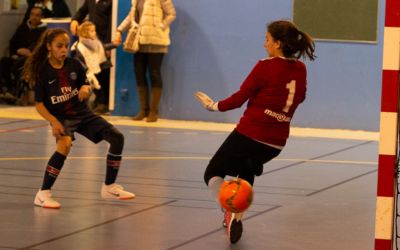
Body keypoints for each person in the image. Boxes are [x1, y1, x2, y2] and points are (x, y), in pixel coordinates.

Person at [194, 20, 316, 244]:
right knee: (245, 170)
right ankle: (236, 217)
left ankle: (230, 208)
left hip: (249, 134)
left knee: (212, 172)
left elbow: (239, 99)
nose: (264, 44)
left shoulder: (265, 66)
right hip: (276, 144)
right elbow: (301, 97)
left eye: (267, 40)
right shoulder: (300, 68)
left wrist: (213, 106)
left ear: (278, 43)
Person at [22, 28, 135, 209]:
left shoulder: (74, 65)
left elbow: (85, 82)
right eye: (59, 46)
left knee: (117, 137)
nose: (63, 50)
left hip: (82, 114)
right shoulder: (43, 72)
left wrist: (85, 87)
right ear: (49, 46)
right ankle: (43, 193)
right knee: (64, 145)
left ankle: (109, 186)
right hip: (61, 117)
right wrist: (54, 121)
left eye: (66, 46)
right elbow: (39, 105)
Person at [114, 0, 176, 122]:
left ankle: (153, 111)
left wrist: (160, 27)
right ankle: (143, 110)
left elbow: (171, 14)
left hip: (157, 42)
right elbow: (131, 17)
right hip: (139, 41)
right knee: (139, 74)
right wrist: (119, 30)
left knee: (154, 74)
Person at [70, 0, 113, 114]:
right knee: (92, 73)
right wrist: (75, 20)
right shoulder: (90, 1)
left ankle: (104, 102)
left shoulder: (110, 2)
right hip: (90, 42)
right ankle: (99, 100)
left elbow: (111, 24)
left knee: (103, 73)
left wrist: (107, 45)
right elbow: (82, 11)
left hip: (101, 42)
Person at [0, 6, 46, 102]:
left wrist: (30, 53)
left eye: (37, 15)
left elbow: (41, 47)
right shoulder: (23, 27)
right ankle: (7, 89)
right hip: (18, 55)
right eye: (32, 14)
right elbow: (13, 42)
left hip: (32, 58)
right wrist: (15, 52)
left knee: (20, 65)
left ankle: (18, 93)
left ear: (42, 17)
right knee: (4, 61)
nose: (34, 17)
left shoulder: (44, 30)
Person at [71, 21, 116, 108]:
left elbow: (103, 47)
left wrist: (114, 44)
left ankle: (100, 104)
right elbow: (78, 59)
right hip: (87, 72)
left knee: (100, 87)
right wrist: (85, 70)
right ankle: (85, 105)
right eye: (92, 31)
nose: (94, 32)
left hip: (97, 68)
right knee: (89, 89)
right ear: (85, 33)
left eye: (94, 30)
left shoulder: (96, 43)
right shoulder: (79, 46)